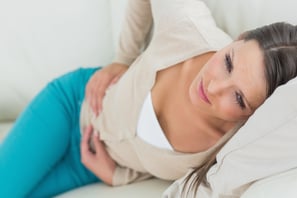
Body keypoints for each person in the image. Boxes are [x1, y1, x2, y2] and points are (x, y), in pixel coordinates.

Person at [1, 0, 297, 197]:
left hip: (88, 164)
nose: (214, 86)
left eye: (239, 98)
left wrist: (119, 176)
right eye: (228, 63)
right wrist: (123, 58)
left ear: (254, 114)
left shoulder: (229, 151)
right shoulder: (189, 28)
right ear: (238, 38)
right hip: (70, 107)